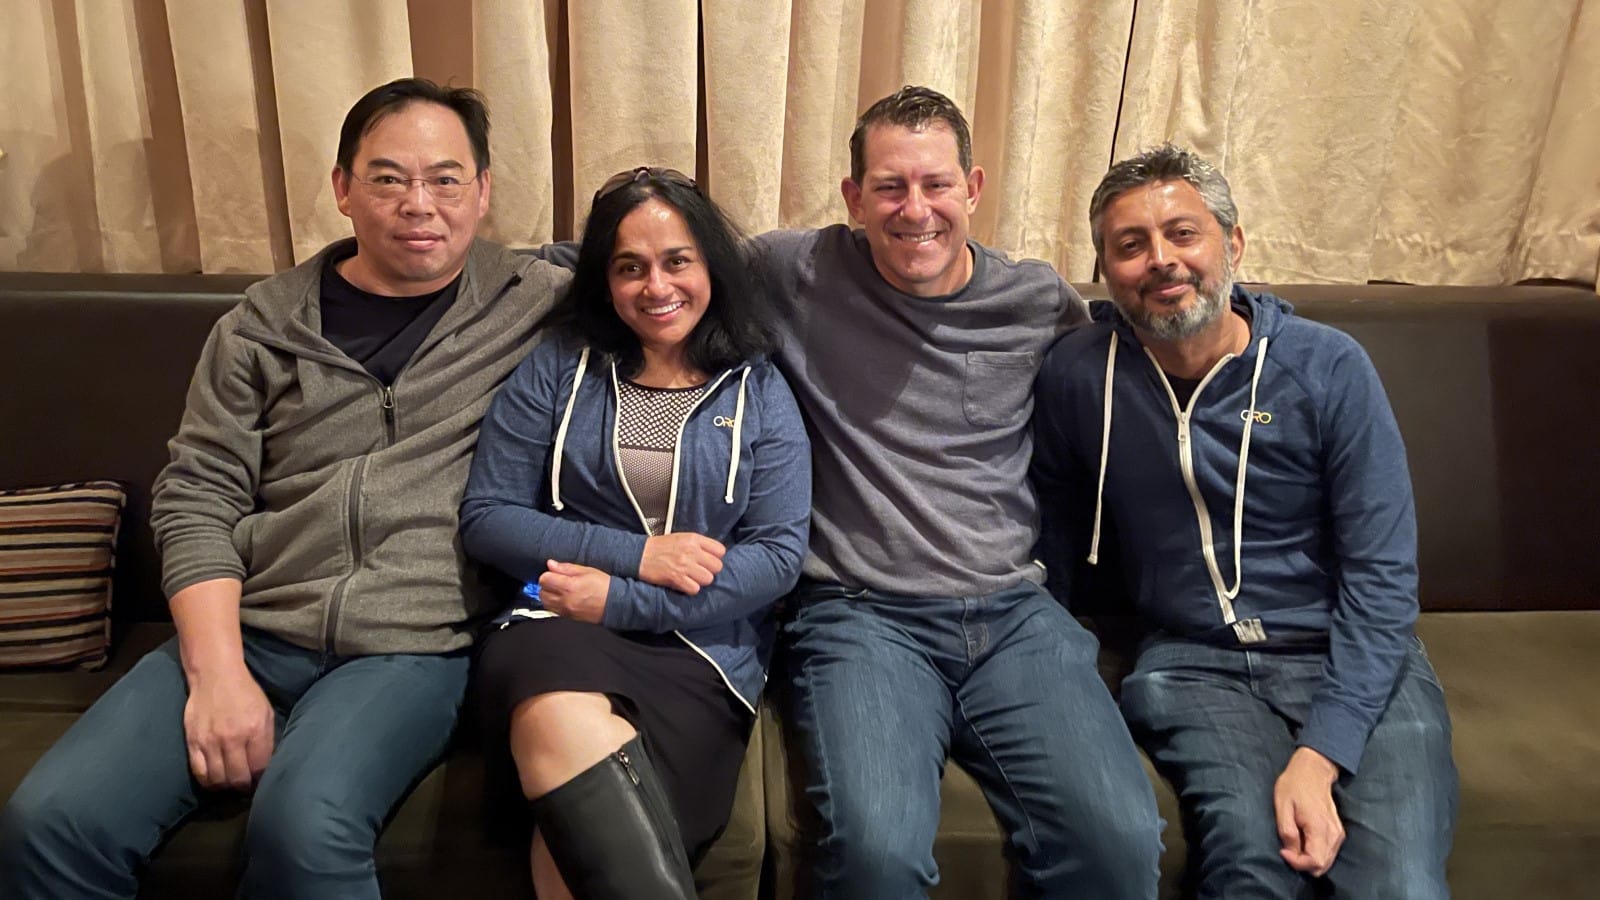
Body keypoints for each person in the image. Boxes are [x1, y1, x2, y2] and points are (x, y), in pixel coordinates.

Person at [0, 78, 571, 899]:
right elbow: (198, 495)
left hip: (417, 645)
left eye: (447, 179)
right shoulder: (259, 327)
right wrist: (220, 673)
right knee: (49, 825)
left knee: (304, 825)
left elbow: (673, 277)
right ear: (342, 189)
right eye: (387, 177)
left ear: (482, 193)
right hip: (257, 624)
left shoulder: (533, 302)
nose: (420, 204)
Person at [752, 86, 1163, 898]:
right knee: (876, 855)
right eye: (890, 187)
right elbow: (665, 262)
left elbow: (1147, 365)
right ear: (853, 198)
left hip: (1013, 615)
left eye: (937, 185)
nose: (916, 210)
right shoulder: (791, 273)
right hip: (860, 616)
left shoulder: (1037, 300)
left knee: (1120, 842)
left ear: (973, 189)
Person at [1032, 144, 1458, 898]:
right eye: (1131, 245)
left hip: (1344, 654)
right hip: (1192, 664)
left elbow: (1383, 574)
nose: (1161, 260)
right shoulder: (1077, 375)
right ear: (1105, 270)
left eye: (1183, 234)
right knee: (1250, 869)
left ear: (1233, 244)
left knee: (1398, 885)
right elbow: (1053, 540)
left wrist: (1322, 755)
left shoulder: (1329, 368)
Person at [459, 167, 810, 899]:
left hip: (704, 647)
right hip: (551, 615)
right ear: (604, 279)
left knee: (576, 847)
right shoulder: (560, 366)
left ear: (710, 263)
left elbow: (776, 557)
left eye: (677, 260)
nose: (657, 286)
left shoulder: (759, 386)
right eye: (630, 267)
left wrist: (625, 602)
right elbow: (489, 518)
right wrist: (639, 556)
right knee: (556, 713)